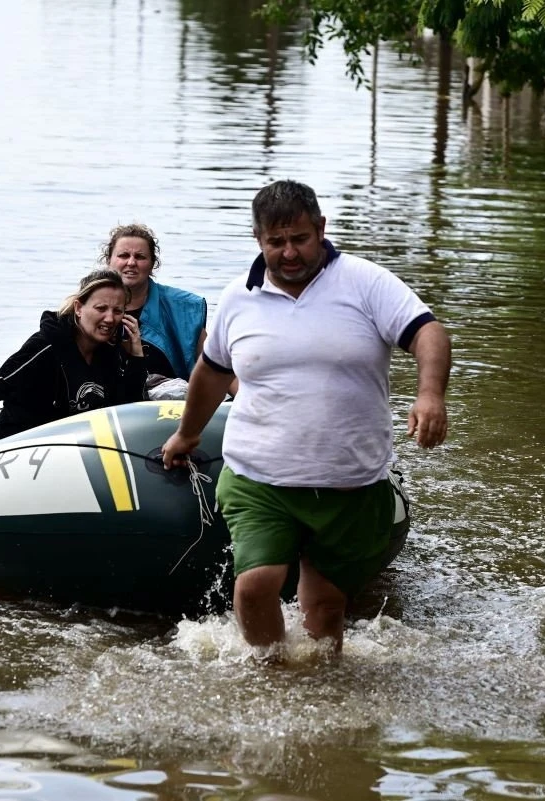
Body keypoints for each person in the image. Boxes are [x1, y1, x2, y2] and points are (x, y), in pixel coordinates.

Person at [160, 179, 451, 656]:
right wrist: (186, 435)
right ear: (259, 240)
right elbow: (211, 374)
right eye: (276, 242)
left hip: (349, 485)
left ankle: (321, 688)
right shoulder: (239, 297)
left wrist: (430, 395)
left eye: (299, 239)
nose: (289, 253)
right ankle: (272, 679)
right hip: (260, 476)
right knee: (256, 587)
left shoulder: (366, 282)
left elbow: (429, 333)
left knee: (325, 613)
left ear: (320, 228)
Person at [0, 269, 146, 449]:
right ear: (79, 308)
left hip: (76, 449)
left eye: (117, 311)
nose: (110, 319)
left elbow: (127, 410)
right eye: (101, 308)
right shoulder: (47, 344)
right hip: (18, 446)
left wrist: (136, 356)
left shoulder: (111, 352)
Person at [101, 223, 207, 383]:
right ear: (109, 260)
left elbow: (216, 366)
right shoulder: (87, 304)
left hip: (171, 400)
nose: (131, 263)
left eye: (140, 257)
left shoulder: (185, 309)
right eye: (123, 255)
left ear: (152, 264)